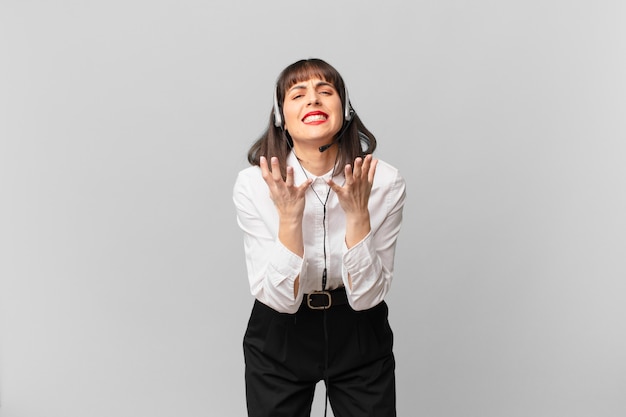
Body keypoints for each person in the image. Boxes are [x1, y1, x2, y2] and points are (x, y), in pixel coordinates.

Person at [233, 58, 406, 417]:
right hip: (279, 333)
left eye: (325, 91)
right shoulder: (253, 185)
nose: (313, 100)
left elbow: (369, 297)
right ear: (281, 116)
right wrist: (289, 219)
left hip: (358, 329)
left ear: (344, 110)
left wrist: (358, 214)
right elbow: (279, 299)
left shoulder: (385, 182)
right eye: (298, 94)